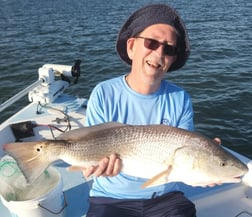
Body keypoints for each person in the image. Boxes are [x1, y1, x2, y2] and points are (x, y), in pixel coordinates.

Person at [69, 3, 220, 217]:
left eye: (169, 49)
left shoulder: (180, 99)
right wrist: (95, 166)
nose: (159, 54)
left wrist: (206, 163)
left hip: (166, 198)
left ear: (173, 58)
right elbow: (91, 151)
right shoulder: (104, 93)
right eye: (151, 43)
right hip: (110, 198)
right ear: (131, 47)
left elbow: (185, 158)